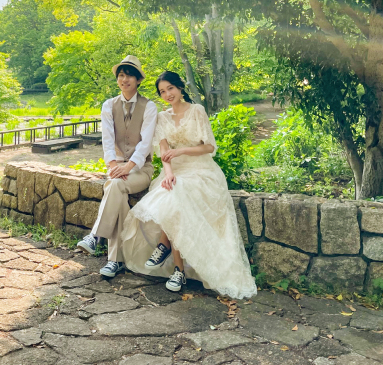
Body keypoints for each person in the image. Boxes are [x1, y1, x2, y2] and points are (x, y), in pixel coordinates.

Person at [119, 71, 257, 298]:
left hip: (202, 171)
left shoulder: (197, 111)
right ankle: (177, 270)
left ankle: (166, 250)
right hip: (176, 171)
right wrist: (168, 173)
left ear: (180, 88)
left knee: (177, 194)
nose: (167, 94)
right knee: (173, 192)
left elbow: (209, 147)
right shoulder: (162, 118)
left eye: (170, 88)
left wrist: (181, 151)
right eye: (162, 91)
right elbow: (164, 151)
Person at [76, 55, 158, 278]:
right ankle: (115, 261)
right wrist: (114, 165)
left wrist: (128, 167)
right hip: (117, 168)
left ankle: (95, 236)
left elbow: (145, 143)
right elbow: (107, 139)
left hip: (141, 170)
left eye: (130, 75)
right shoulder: (108, 105)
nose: (124, 79)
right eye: (121, 75)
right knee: (116, 189)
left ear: (138, 80)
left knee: (114, 186)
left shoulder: (149, 107)